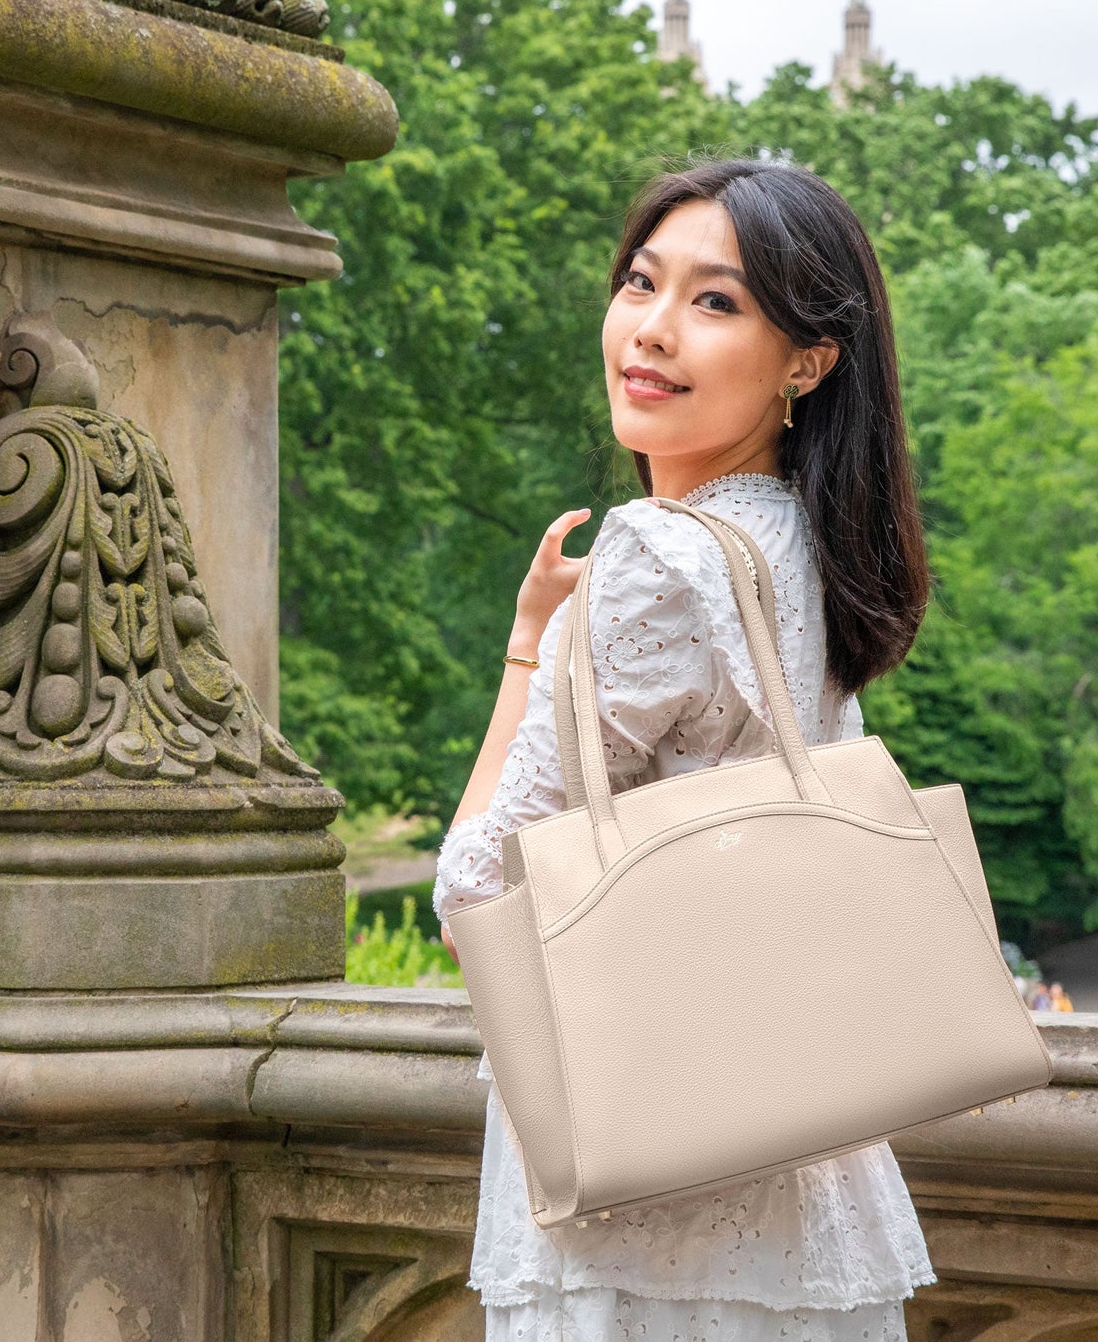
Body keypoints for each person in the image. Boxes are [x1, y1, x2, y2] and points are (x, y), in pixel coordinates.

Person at [432, 159, 938, 1339]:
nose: (651, 331)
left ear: (807, 360)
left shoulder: (659, 556)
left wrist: (525, 653)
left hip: (641, 1206)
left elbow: (476, 893)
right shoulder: (802, 548)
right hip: (795, 1167)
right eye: (640, 284)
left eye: (714, 302)